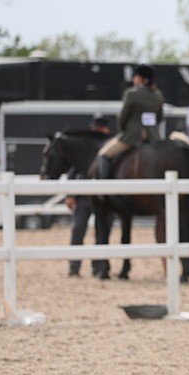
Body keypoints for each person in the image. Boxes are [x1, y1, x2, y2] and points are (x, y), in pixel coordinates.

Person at [97, 64, 164, 179]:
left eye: (135, 76)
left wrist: (123, 130)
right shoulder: (158, 96)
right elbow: (160, 118)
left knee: (103, 155)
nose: (134, 79)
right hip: (153, 137)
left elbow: (123, 117)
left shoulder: (131, 94)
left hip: (132, 136)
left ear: (142, 79)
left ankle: (104, 189)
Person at [67, 115, 113, 277]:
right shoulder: (84, 149)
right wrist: (70, 194)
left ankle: (98, 267)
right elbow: (73, 171)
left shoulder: (110, 148)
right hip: (84, 196)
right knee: (78, 230)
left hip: (102, 198)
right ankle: (74, 267)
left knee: (102, 233)